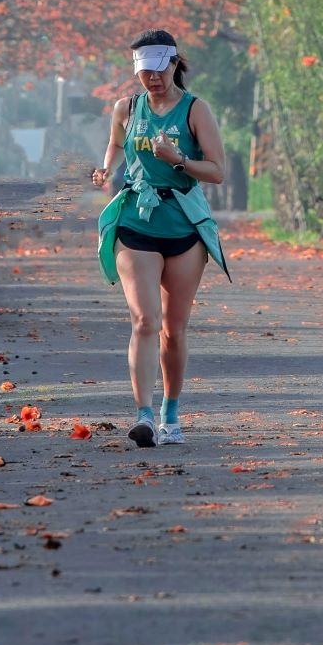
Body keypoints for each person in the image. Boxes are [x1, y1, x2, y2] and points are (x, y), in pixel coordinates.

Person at [91, 29, 229, 446]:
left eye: (157, 69)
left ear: (174, 63)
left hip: (184, 225)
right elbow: (116, 144)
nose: (151, 78)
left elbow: (218, 171)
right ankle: (144, 416)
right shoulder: (126, 108)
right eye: (143, 71)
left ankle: (171, 413)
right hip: (136, 221)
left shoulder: (195, 111)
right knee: (144, 320)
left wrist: (178, 160)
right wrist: (106, 169)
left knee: (173, 328)